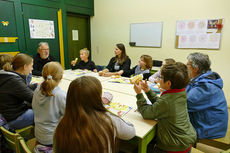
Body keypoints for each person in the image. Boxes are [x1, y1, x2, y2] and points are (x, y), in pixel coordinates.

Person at [54, 76, 135, 153]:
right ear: (97, 98)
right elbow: (131, 132)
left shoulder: (61, 124)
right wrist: (104, 109)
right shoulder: (109, 120)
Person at [134, 62, 196, 152]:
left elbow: (146, 112)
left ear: (168, 83)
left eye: (161, 77)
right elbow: (161, 104)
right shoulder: (180, 92)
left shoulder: (167, 101)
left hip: (174, 146)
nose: (158, 79)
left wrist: (139, 94)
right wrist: (148, 91)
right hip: (185, 139)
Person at [186, 52, 228, 139]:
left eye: (188, 64)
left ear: (195, 69)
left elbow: (185, 103)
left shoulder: (206, 86)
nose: (186, 66)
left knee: (171, 126)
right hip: (207, 123)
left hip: (209, 128)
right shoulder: (201, 79)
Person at [32, 62, 66, 146]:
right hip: (53, 138)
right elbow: (70, 116)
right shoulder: (60, 95)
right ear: (61, 77)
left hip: (38, 134)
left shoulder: (37, 90)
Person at [0, 53, 37, 129]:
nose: (32, 69)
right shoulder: (14, 80)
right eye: (31, 66)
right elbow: (34, 98)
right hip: (12, 118)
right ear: (25, 66)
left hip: (5, 114)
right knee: (45, 112)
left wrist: (36, 86)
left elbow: (22, 89)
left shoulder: (7, 75)